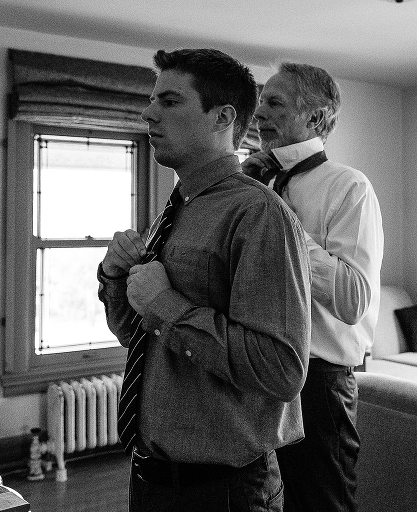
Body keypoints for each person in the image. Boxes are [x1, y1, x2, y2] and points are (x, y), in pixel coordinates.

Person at [98, 48, 312, 512]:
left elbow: (282, 370)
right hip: (151, 478)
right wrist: (117, 278)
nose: (148, 111)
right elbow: (142, 338)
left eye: (170, 102)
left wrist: (166, 304)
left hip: (223, 492)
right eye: (153, 99)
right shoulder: (176, 211)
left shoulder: (258, 215)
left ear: (223, 117)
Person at [242, 62, 384, 512]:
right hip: (256, 368)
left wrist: (282, 222)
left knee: (322, 503)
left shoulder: (349, 187)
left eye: (274, 102)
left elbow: (351, 299)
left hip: (317, 383)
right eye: (261, 100)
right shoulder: (252, 183)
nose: (259, 112)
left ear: (316, 119)